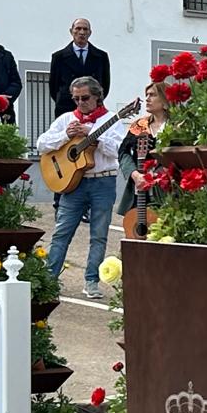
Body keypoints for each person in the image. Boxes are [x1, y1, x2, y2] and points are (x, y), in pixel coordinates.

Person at [35, 76, 124, 298]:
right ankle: (49, 279)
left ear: (97, 96)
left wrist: (97, 139)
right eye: (75, 99)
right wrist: (67, 135)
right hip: (72, 183)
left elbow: (120, 150)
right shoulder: (66, 119)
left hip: (104, 180)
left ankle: (91, 282)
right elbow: (41, 144)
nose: (80, 103)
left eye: (85, 98)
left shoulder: (112, 119)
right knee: (61, 232)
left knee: (99, 235)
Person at [117, 81, 168, 225]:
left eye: (152, 95)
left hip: (167, 189)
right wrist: (135, 175)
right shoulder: (139, 125)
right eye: (147, 95)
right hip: (140, 189)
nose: (147, 99)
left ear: (164, 99)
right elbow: (123, 152)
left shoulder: (178, 125)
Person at [49, 18, 110, 117]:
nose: (81, 32)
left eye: (85, 29)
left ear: (90, 33)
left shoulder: (101, 56)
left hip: (93, 109)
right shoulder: (59, 57)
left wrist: (92, 100)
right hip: (66, 109)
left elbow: (105, 85)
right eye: (78, 28)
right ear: (71, 31)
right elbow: (54, 87)